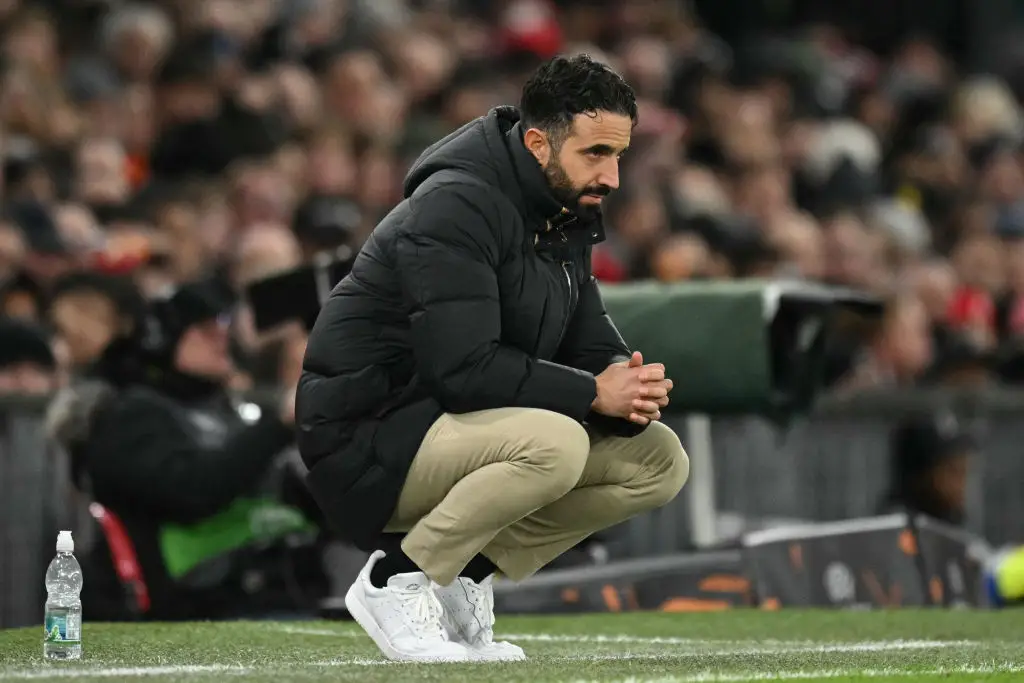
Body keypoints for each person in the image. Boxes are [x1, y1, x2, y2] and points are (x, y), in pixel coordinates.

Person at [298, 54, 689, 662]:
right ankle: (394, 579)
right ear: (537, 143)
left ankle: (464, 570)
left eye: (618, 155)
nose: (612, 176)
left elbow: (588, 334)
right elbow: (463, 371)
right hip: (368, 438)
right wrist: (593, 394)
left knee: (659, 460)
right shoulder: (455, 204)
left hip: (448, 428)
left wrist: (626, 381)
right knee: (556, 444)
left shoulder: (563, 205)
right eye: (595, 153)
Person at [47, 276, 326, 620]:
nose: (221, 337)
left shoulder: (231, 410)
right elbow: (194, 489)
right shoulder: (128, 417)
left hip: (279, 589)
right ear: (163, 339)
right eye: (205, 329)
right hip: (196, 601)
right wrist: (279, 425)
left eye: (222, 325)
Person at [879, 411, 975, 526]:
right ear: (921, 474)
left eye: (965, 470)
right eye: (953, 470)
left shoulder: (948, 522)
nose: (962, 484)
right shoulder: (897, 528)